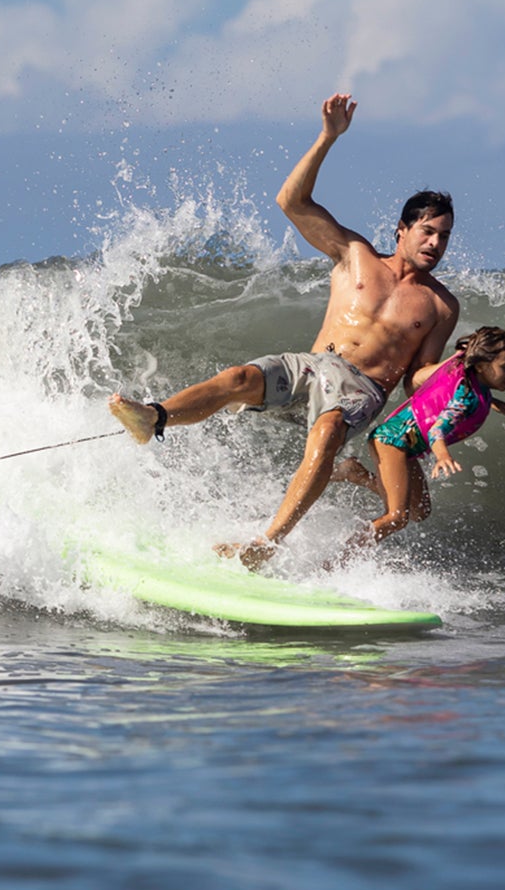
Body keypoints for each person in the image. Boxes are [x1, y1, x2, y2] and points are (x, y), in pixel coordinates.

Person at [108, 92, 460, 568]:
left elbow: (416, 376)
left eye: (444, 237)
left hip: (361, 389)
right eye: (428, 232)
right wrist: (327, 138)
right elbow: (290, 201)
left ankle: (266, 544)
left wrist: (452, 369)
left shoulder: (440, 305)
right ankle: (155, 417)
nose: (436, 244)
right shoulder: (354, 253)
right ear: (402, 230)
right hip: (313, 366)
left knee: (331, 427)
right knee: (238, 379)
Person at [334, 325, 505, 547]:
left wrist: (494, 403)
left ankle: (356, 474)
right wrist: (442, 456)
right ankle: (336, 561)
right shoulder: (464, 397)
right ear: (481, 366)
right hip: (393, 440)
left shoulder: (471, 378)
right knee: (396, 517)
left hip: (407, 446)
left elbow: (463, 395)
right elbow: (436, 430)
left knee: (418, 511)